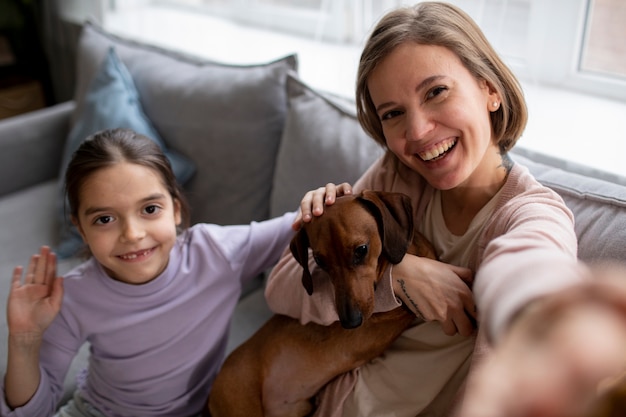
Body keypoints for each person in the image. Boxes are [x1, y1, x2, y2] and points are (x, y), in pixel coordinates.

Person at [264, 2, 613, 416]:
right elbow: (280, 288)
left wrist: (549, 317)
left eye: (436, 92)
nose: (417, 131)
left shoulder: (529, 213)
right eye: (393, 114)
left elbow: (529, 272)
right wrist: (399, 273)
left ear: (490, 88)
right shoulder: (396, 176)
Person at [1, 128, 296, 417]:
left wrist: (325, 198)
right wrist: (23, 341)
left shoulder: (217, 253)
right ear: (81, 229)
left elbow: (301, 225)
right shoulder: (71, 297)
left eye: (150, 209)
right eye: (104, 219)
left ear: (176, 210)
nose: (132, 234)